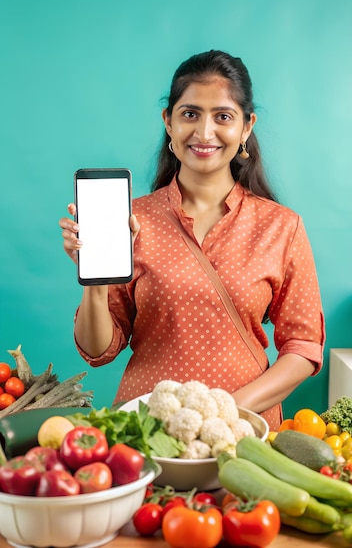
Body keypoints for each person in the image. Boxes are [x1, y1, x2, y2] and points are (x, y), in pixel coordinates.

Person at [59, 50, 325, 430]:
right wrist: (95, 284)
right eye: (190, 114)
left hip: (241, 432)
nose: (204, 133)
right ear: (168, 121)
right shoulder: (132, 219)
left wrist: (222, 412)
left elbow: (303, 348)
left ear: (247, 127)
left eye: (223, 117)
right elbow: (98, 351)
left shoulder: (281, 227)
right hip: (145, 431)